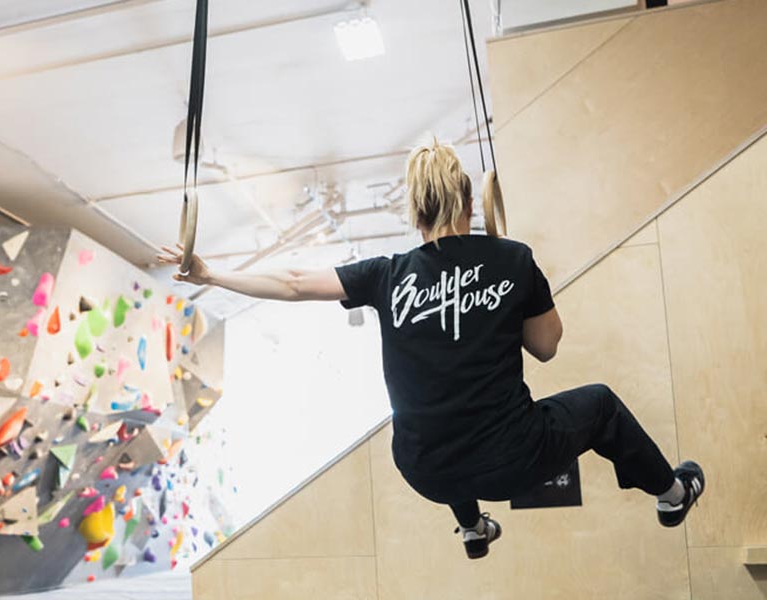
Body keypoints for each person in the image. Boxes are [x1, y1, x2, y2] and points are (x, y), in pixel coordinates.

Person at [157, 139, 704, 560]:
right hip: (514, 457)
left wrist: (211, 273)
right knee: (602, 405)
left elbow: (297, 282)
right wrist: (503, 308)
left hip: (423, 471)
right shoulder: (512, 259)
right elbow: (547, 347)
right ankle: (671, 493)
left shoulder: (386, 275)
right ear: (472, 202)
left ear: (413, 214)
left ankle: (471, 527)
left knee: (442, 431)